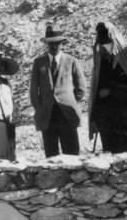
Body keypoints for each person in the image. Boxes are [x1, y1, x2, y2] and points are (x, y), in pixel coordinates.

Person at [30, 24, 87, 157]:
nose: (54, 46)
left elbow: (81, 88)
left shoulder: (71, 61)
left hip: (67, 113)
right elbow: (34, 90)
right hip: (47, 114)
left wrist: (71, 102)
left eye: (57, 43)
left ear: (62, 43)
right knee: (51, 154)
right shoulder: (38, 63)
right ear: (46, 44)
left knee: (72, 152)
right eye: (50, 43)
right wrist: (40, 108)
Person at [88, 22, 127, 153]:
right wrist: (94, 119)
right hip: (106, 123)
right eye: (101, 45)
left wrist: (112, 91)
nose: (102, 49)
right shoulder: (101, 65)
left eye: (105, 45)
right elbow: (96, 92)